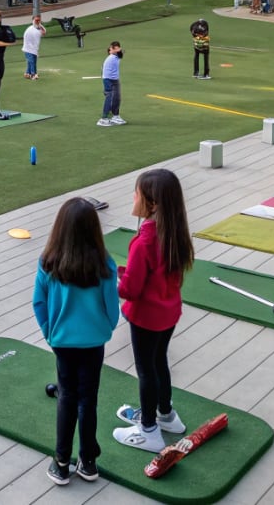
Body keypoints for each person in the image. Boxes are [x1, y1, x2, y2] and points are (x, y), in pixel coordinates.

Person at [33, 197, 120, 485]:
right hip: (93, 342)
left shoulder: (48, 262)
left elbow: (39, 303)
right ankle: (89, 462)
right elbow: (111, 307)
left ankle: (61, 463)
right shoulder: (104, 263)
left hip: (62, 342)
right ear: (94, 229)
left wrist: (50, 332)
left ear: (60, 229)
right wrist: (104, 328)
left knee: (67, 397)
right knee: (87, 399)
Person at [113, 169, 194, 452]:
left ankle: (148, 429)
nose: (133, 197)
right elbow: (154, 274)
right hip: (168, 314)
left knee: (146, 370)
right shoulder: (174, 233)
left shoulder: (145, 239)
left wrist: (111, 281)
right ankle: (166, 415)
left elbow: (130, 290)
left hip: (146, 318)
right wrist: (123, 272)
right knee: (159, 362)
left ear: (153, 204)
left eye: (137, 193)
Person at [96, 41, 125, 127]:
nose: (113, 50)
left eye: (116, 48)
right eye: (112, 49)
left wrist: (119, 50)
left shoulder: (117, 56)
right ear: (110, 50)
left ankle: (115, 116)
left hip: (115, 80)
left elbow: (121, 54)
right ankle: (103, 119)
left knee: (117, 98)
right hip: (109, 80)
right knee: (110, 98)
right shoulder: (111, 57)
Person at [22, 14, 46, 80]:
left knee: (31, 61)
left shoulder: (39, 28)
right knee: (32, 61)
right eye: (36, 20)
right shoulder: (30, 29)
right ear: (33, 20)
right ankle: (33, 75)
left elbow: (44, 32)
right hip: (28, 48)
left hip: (34, 48)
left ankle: (27, 73)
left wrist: (40, 25)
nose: (38, 21)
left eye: (39, 20)